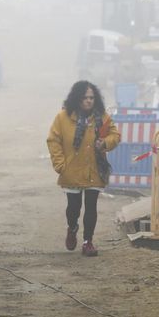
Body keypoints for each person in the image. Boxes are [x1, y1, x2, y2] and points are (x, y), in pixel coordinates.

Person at [46, 81, 119, 257]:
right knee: (73, 207)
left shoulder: (102, 117)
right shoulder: (63, 117)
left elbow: (114, 134)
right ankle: (72, 227)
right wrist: (60, 165)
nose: (88, 101)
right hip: (71, 169)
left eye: (91, 98)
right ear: (77, 98)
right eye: (85, 98)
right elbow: (53, 140)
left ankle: (88, 242)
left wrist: (106, 143)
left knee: (91, 205)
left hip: (95, 168)